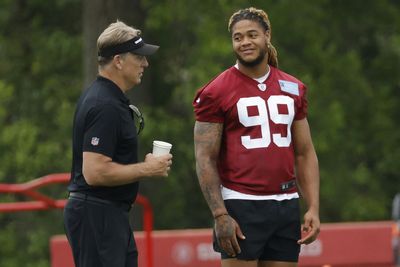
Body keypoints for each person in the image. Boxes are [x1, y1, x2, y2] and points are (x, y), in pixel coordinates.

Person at [193, 7, 320, 267]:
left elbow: (304, 152)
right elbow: (205, 158)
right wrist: (220, 214)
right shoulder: (215, 91)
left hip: (285, 203)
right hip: (241, 203)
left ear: (267, 35)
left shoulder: (293, 88)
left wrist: (313, 207)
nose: (245, 42)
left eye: (252, 35)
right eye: (238, 37)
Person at [63, 21, 172, 267]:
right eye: (139, 57)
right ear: (118, 60)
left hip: (108, 214)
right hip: (97, 215)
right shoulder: (104, 105)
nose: (145, 63)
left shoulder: (109, 98)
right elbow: (94, 172)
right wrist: (147, 169)